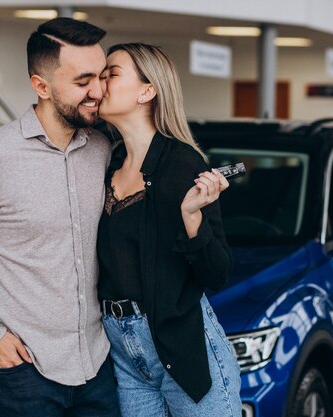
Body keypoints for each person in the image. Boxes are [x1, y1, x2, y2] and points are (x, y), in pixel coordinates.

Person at [0, 18, 121, 417]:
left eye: (101, 77)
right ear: (41, 86)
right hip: (22, 371)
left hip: (98, 364)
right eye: (83, 81)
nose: (98, 91)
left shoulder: (102, 148)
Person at [97, 43, 242, 416]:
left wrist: (193, 219)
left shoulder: (181, 163)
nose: (100, 82)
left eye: (111, 73)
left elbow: (217, 273)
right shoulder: (107, 161)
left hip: (181, 344)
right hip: (122, 347)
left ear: (147, 91)